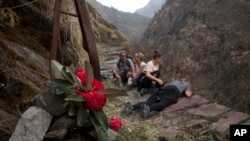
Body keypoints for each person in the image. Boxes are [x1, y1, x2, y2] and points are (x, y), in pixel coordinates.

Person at [121, 76, 193, 119]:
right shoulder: (187, 84)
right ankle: (148, 109)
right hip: (173, 93)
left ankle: (132, 107)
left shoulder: (176, 81)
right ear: (188, 81)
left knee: (148, 102)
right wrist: (190, 92)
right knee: (162, 104)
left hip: (164, 89)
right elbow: (187, 94)